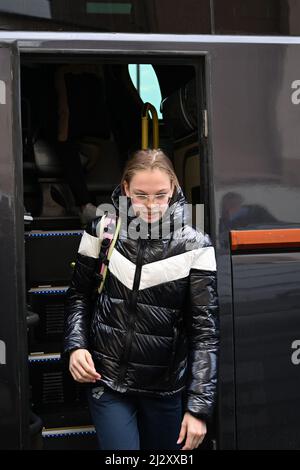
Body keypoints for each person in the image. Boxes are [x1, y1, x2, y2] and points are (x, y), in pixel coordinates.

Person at [63, 148, 219, 450]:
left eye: (160, 195)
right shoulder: (102, 230)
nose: (151, 206)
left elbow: (205, 333)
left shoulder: (196, 246)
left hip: (165, 388)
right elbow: (79, 297)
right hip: (106, 379)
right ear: (125, 189)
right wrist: (76, 346)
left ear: (173, 187)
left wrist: (198, 408)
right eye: (141, 195)